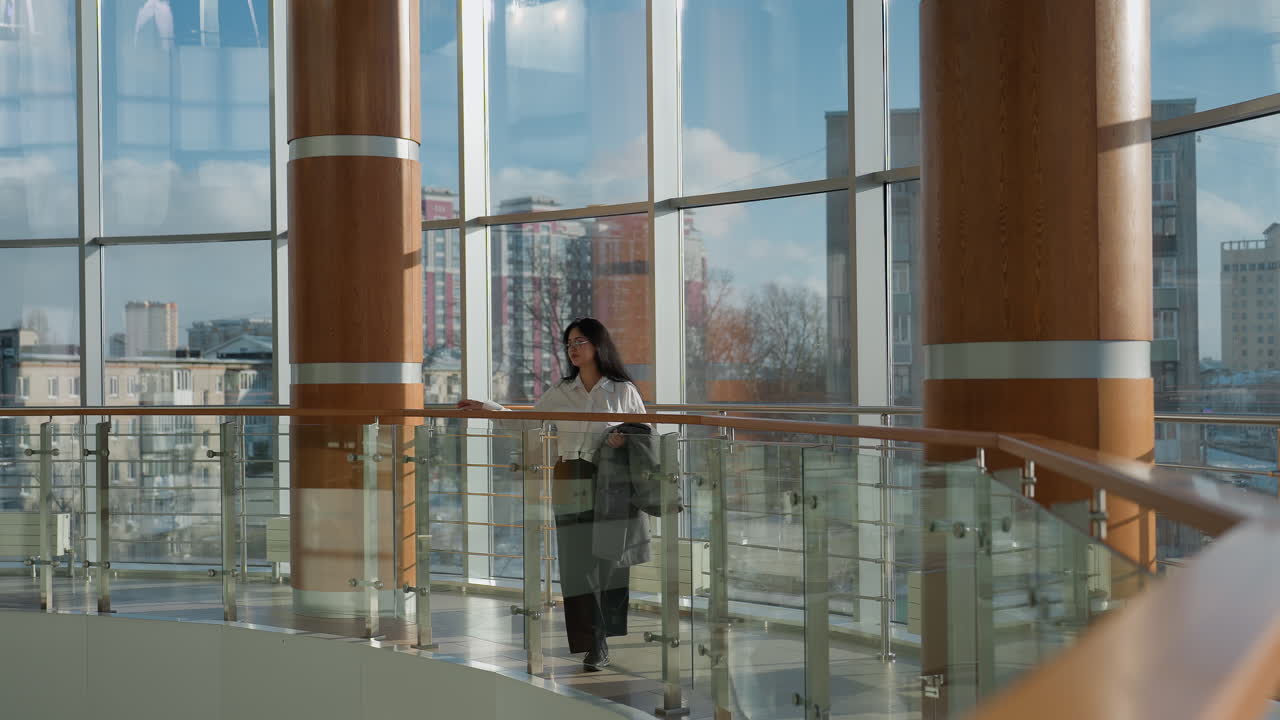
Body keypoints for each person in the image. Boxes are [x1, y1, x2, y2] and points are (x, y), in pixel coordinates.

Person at [458, 317, 648, 671]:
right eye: (569, 344)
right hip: (570, 475)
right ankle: (594, 642)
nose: (573, 349)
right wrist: (488, 409)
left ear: (598, 345)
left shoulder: (621, 390)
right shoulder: (561, 391)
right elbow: (530, 422)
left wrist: (624, 437)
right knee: (576, 565)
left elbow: (643, 431)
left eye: (580, 342)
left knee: (608, 560)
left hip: (610, 478)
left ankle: (605, 631)